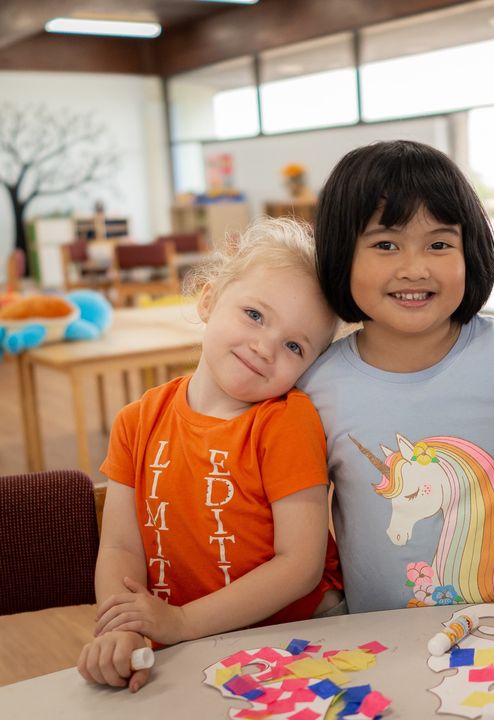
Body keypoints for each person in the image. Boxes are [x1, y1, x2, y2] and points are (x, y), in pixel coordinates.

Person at [77, 217, 344, 692]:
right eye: (255, 315)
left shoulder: (287, 421)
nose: (264, 347)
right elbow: (120, 548)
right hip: (188, 647)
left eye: (294, 346)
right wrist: (123, 627)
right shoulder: (136, 422)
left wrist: (181, 621)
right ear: (208, 299)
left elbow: (300, 567)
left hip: (296, 640)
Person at [299, 140, 494, 613]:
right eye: (385, 244)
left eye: (439, 244)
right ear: (341, 253)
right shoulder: (316, 390)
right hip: (381, 646)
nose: (414, 269)